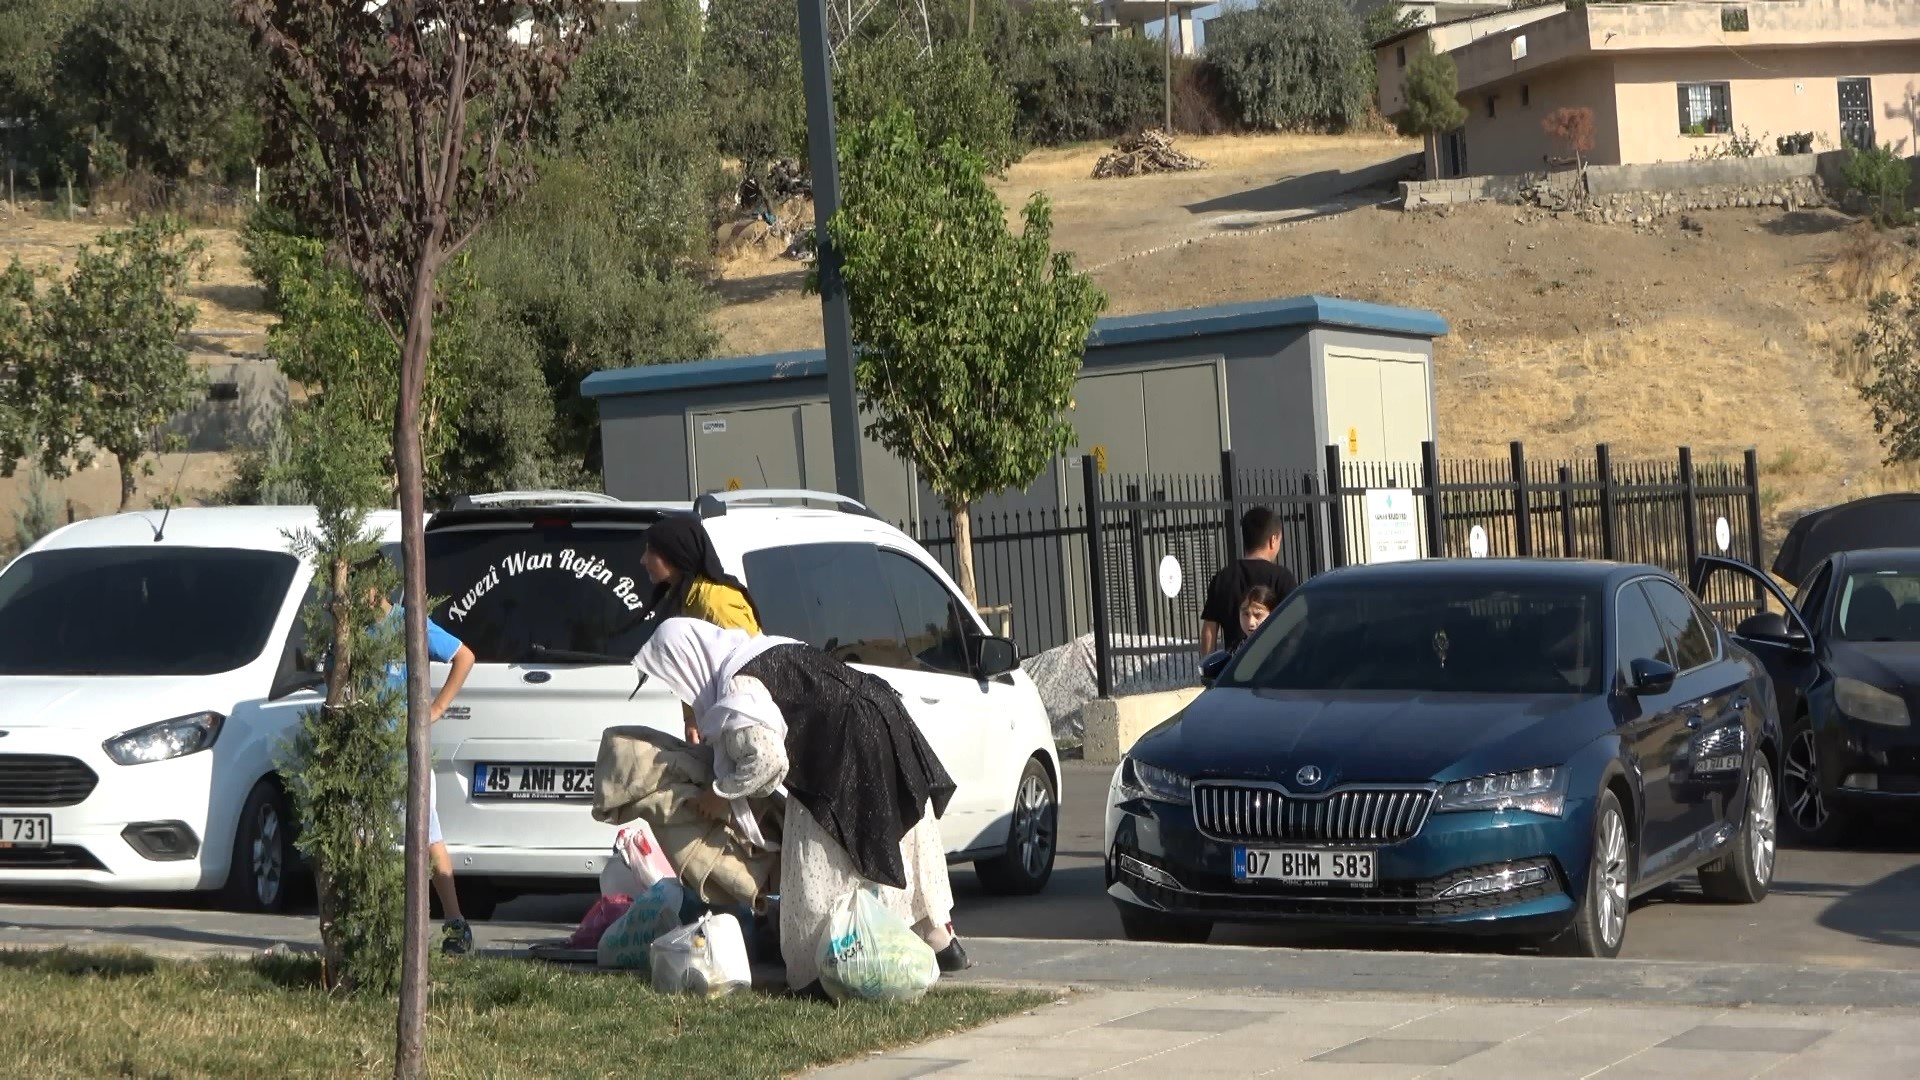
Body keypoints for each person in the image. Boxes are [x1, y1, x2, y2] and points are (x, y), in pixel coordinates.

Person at [634, 617, 971, 994]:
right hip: (882, 714)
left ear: (688, 661)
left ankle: (819, 972)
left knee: (814, 865)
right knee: (904, 835)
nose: (681, 693)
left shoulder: (739, 685)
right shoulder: (758, 648)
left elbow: (769, 761)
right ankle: (941, 942)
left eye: (675, 680)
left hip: (841, 748)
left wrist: (722, 794)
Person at [363, 561, 477, 957]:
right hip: (366, 755)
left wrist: (438, 707)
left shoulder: (410, 624)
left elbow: (464, 656)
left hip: (406, 753)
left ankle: (456, 924)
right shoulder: (350, 631)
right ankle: (370, 924)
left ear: (375, 586)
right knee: (364, 842)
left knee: (428, 838)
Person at [642, 515, 762, 743]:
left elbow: (750, 672)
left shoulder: (716, 603)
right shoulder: (685, 600)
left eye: (651, 551)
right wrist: (692, 718)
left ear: (674, 553)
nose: (643, 560)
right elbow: (694, 669)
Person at [1201, 506, 1299, 656]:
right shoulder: (1283, 578)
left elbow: (1209, 629)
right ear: (1273, 540)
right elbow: (1296, 626)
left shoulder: (1223, 577)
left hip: (1235, 670)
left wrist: (1208, 672)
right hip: (1274, 669)